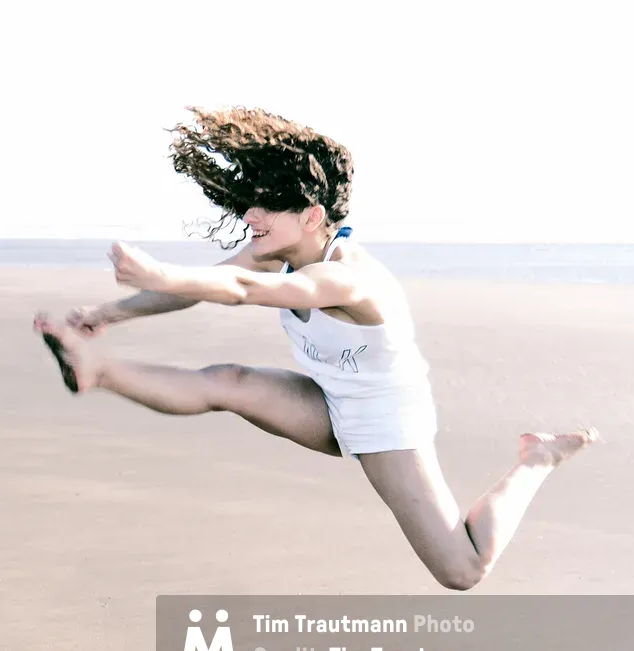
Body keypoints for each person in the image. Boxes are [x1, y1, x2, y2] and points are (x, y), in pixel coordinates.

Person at [32, 106, 598, 591]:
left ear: (312, 217)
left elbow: (242, 290)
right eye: (251, 204)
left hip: (386, 423)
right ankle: (95, 369)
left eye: (266, 208)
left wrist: (160, 272)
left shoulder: (349, 278)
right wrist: (105, 315)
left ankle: (538, 458)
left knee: (462, 570)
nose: (250, 217)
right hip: (327, 400)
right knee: (228, 381)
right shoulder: (275, 253)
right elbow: (207, 285)